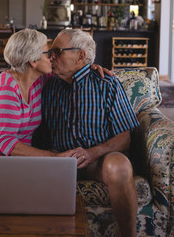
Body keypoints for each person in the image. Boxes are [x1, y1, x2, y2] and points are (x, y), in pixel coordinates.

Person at [0, 28, 108, 237]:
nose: (52, 57)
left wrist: (90, 66)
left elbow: (72, 72)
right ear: (33, 61)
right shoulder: (8, 88)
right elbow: (9, 144)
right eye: (47, 53)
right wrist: (56, 158)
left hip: (11, 159)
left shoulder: (39, 80)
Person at [38, 29, 139, 237]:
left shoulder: (106, 83)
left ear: (81, 56)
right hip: (57, 159)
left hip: (98, 161)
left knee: (119, 167)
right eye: (51, 51)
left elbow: (124, 137)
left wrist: (92, 153)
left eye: (58, 51)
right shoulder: (46, 84)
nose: (51, 56)